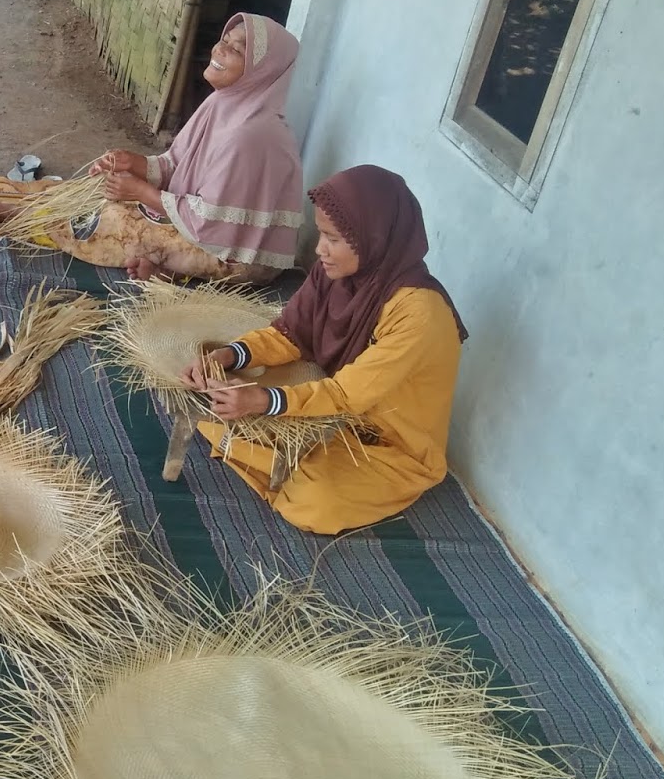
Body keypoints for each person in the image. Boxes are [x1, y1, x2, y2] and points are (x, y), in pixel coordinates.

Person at [182, 165, 467, 534]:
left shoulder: (419, 313)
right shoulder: (335, 273)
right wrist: (230, 354)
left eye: (333, 238)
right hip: (333, 421)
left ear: (371, 238)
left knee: (314, 503)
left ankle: (290, 473)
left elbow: (348, 394)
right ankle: (285, 467)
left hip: (390, 448)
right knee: (211, 417)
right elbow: (288, 335)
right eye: (321, 234)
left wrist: (263, 401)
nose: (320, 249)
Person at [0, 13, 302, 282]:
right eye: (225, 40)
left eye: (237, 49)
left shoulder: (252, 134)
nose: (220, 49)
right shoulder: (223, 104)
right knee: (98, 190)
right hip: (203, 229)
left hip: (238, 259)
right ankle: (166, 270)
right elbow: (177, 165)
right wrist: (134, 164)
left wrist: (142, 191)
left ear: (262, 71)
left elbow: (211, 222)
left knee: (115, 218)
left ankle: (11, 216)